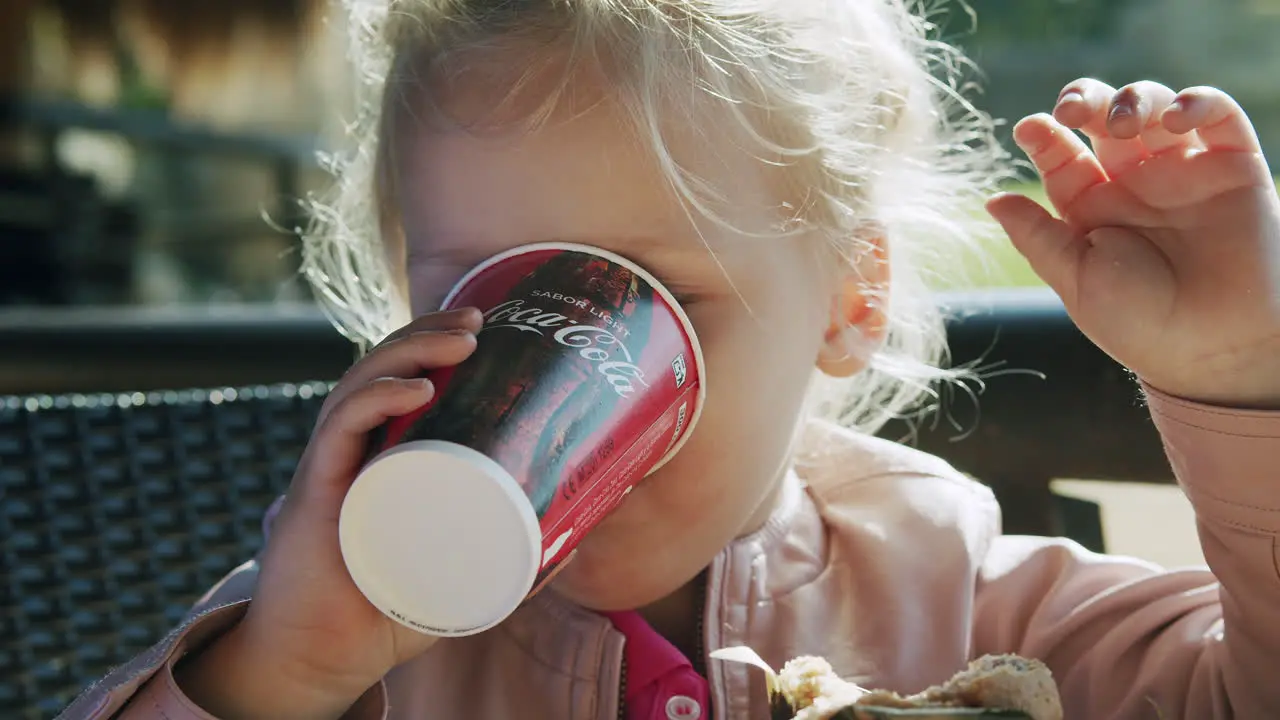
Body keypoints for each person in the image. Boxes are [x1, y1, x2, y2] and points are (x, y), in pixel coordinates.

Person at [59, 1, 1280, 718]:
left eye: (653, 307)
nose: (560, 394)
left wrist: (1236, 374)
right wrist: (279, 674)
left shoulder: (969, 605)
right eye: (496, 301)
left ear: (845, 301)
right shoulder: (332, 628)